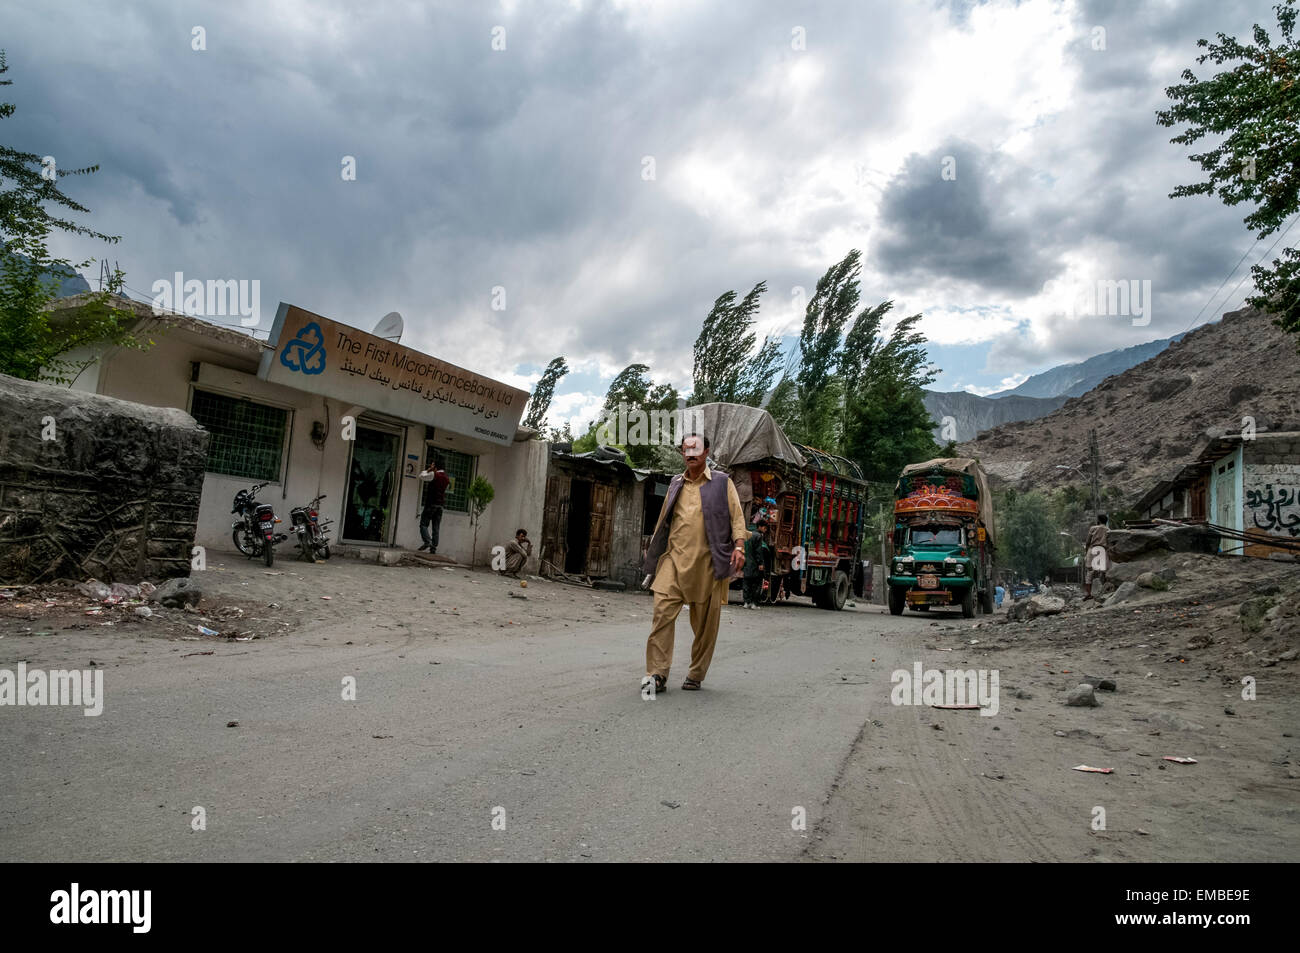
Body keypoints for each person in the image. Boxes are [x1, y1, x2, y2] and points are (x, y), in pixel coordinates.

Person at [641, 433, 747, 693]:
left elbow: (737, 517)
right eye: (686, 449)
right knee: (661, 615)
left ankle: (696, 673)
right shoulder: (676, 483)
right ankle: (656, 674)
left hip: (708, 565)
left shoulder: (722, 482)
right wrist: (653, 550)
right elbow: (664, 519)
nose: (690, 454)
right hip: (673, 562)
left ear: (707, 452)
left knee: (705, 626)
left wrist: (739, 546)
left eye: (695, 448)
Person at [418, 458, 451, 553]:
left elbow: (421, 476)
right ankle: (433, 548)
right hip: (440, 505)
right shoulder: (446, 478)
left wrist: (428, 470)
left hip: (431, 504)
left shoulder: (434, 474)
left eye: (432, 465)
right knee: (436, 527)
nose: (431, 466)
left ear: (436, 466)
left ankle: (427, 541)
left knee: (423, 524)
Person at [742, 521, 767, 608]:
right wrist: (760, 563)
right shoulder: (758, 536)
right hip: (755, 564)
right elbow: (758, 551)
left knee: (746, 583)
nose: (765, 530)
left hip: (746, 563)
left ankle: (746, 602)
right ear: (760, 527)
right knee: (756, 584)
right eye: (764, 527)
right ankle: (753, 604)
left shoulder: (748, 534)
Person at [1084, 513, 1109, 600]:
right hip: (1102, 550)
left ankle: (1088, 594)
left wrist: (1086, 551)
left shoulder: (1093, 528)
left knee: (1090, 571)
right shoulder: (1108, 530)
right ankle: (1102, 592)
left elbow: (1087, 542)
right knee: (1102, 572)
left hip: (1093, 549)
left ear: (1098, 520)